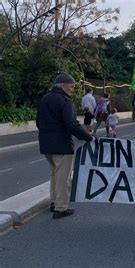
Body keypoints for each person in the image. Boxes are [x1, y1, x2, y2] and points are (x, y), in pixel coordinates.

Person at [36, 73, 93, 219]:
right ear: (62, 85)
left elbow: (38, 122)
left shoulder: (44, 99)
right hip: (62, 145)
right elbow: (72, 124)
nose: (73, 89)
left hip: (46, 144)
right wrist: (88, 137)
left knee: (55, 174)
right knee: (63, 177)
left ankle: (54, 202)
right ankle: (61, 208)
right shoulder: (65, 101)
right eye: (71, 86)